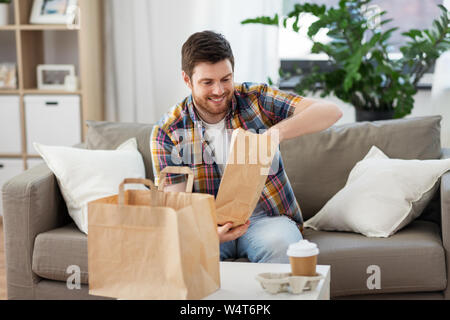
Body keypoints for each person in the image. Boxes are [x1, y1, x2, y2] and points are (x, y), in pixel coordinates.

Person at [151, 30, 342, 263]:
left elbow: (331, 112)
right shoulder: (168, 131)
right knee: (179, 253)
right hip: (207, 223)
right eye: (207, 82)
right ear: (186, 80)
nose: (219, 91)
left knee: (283, 246)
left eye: (225, 79)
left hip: (265, 220)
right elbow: (175, 208)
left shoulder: (255, 99)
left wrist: (274, 134)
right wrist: (206, 233)